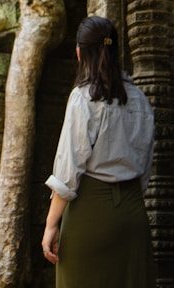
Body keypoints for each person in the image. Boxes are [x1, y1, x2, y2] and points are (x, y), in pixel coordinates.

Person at [42, 15, 156, 287]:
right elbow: (146, 166)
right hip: (133, 217)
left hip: (90, 216)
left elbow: (69, 170)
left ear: (80, 52)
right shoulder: (140, 99)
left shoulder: (83, 98)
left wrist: (50, 226)